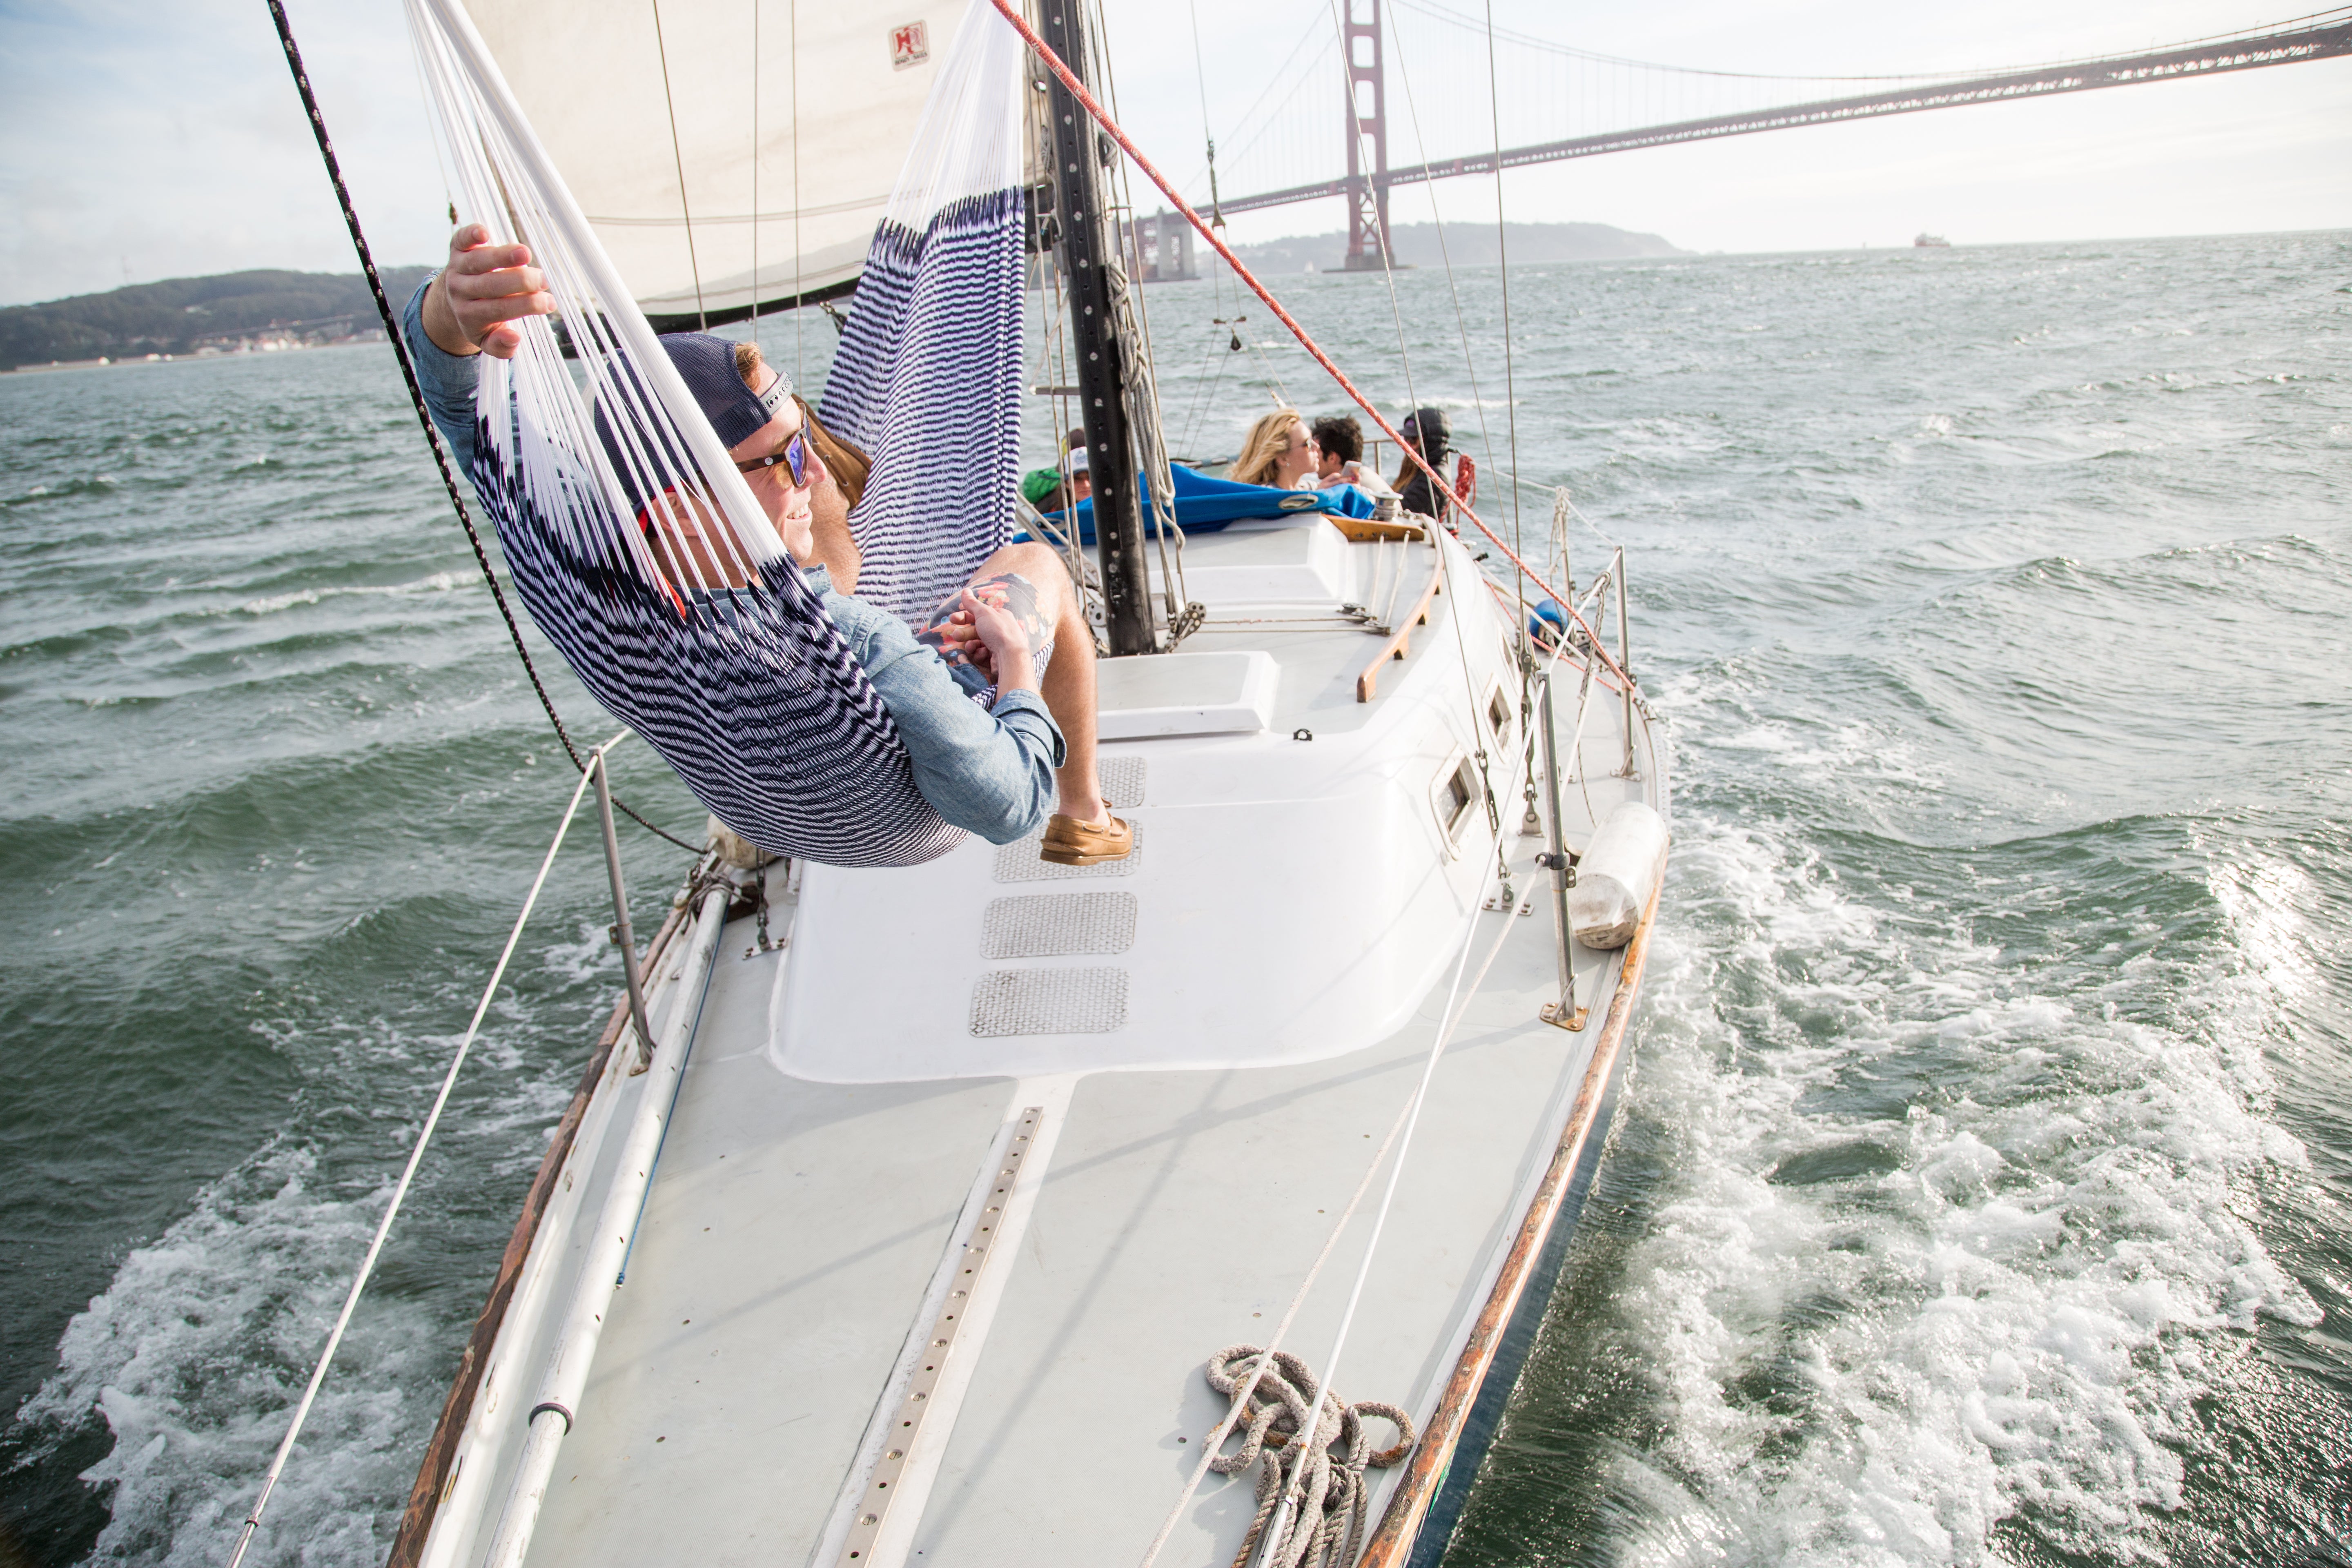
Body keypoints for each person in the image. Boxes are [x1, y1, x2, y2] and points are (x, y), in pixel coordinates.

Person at [407, 224, 1131, 864]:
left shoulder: (570, 553)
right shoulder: (859, 646)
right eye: (786, 457)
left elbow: (459, 401)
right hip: (900, 821)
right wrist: (1013, 669)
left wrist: (451, 306)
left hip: (762, 789)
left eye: (803, 439)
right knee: (1039, 565)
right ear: (682, 511)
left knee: (824, 503)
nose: (815, 469)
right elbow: (1007, 807)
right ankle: (1085, 816)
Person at [1227, 408, 1318, 490]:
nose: (1317, 446)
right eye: (1308, 443)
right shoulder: (1265, 498)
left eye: (1312, 439)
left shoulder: (1305, 489)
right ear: (1283, 459)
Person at [1392, 405, 1452, 522]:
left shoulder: (1435, 477)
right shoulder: (1414, 469)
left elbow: (1404, 510)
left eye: (1413, 439)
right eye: (1406, 438)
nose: (1407, 445)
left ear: (1430, 442)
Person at [1307, 413, 1389, 493]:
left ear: (1332, 458)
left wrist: (1320, 495)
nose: (1313, 455)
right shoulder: (1367, 476)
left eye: (1316, 451)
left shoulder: (1344, 488)